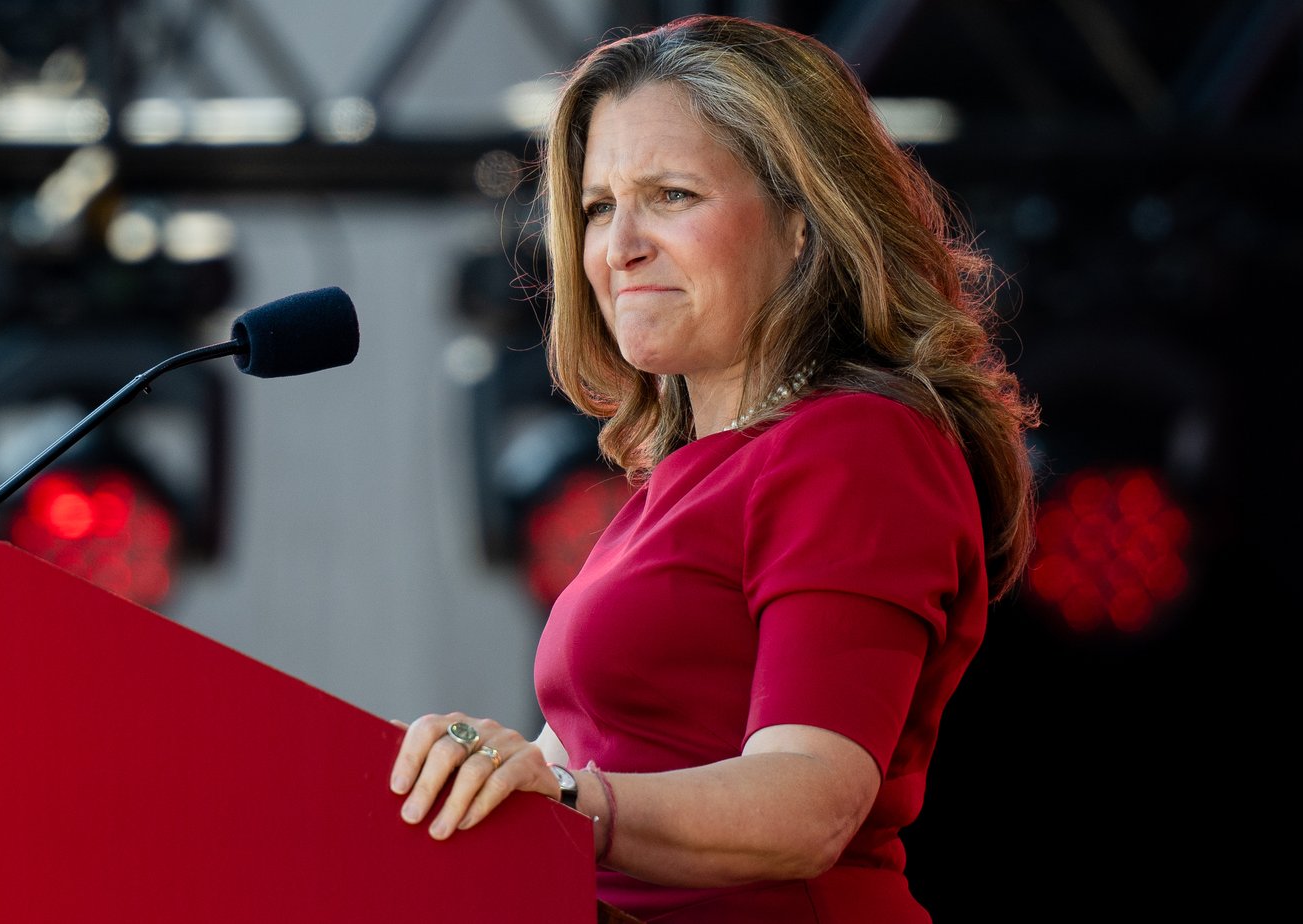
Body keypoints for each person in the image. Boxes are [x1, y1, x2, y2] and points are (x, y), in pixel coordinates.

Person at [389, 14, 1039, 923]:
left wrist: (568, 796)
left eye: (672, 195)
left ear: (802, 223)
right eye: (600, 206)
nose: (620, 246)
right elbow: (583, 763)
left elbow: (809, 799)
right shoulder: (679, 478)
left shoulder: (858, 445)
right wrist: (473, 769)